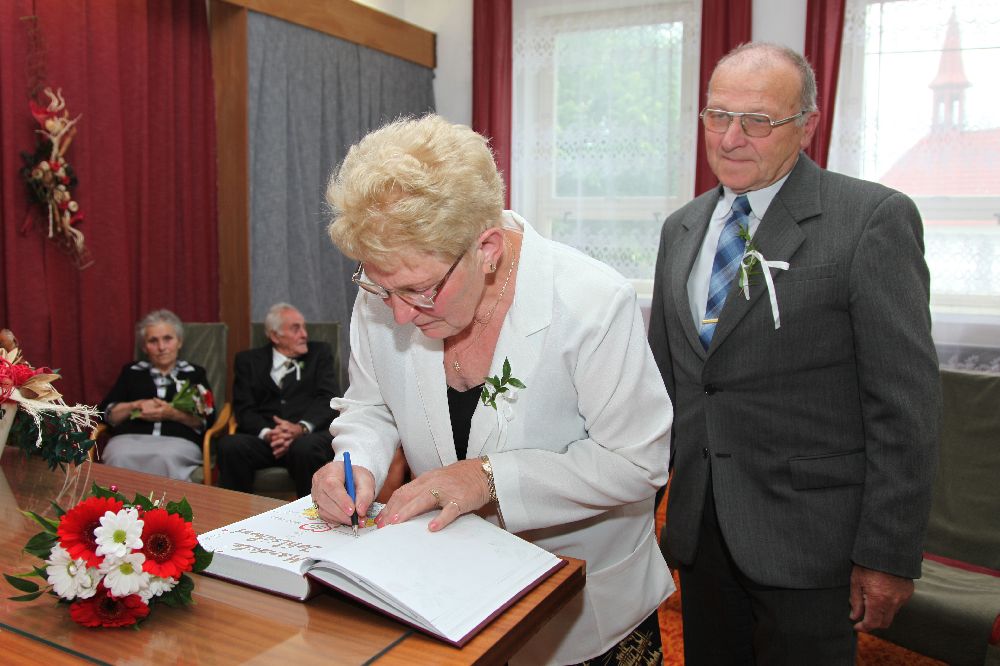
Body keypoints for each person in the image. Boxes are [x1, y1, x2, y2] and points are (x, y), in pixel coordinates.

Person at [310, 114, 674, 665]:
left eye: (420, 291)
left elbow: (637, 461)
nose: (400, 314)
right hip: (449, 590)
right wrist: (356, 462)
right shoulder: (391, 284)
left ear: (487, 248)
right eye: (381, 289)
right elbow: (371, 404)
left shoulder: (591, 304)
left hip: (582, 599)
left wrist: (488, 478)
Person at [647, 42, 941, 664]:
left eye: (757, 120)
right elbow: (666, 391)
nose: (730, 138)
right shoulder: (681, 229)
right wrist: (638, 515)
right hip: (701, 531)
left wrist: (888, 554)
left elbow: (904, 408)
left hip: (813, 542)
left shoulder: (869, 220)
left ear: (807, 125)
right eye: (717, 115)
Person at [217, 303, 339, 498]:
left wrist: (300, 428)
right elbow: (244, 409)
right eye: (295, 328)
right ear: (275, 336)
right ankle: (237, 512)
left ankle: (312, 513)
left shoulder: (319, 354)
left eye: (304, 327)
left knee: (305, 448)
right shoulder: (248, 361)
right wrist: (270, 434)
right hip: (266, 440)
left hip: (308, 436)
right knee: (230, 446)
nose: (304, 334)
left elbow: (328, 399)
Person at [98, 309, 213, 480]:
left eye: (168, 339)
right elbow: (105, 414)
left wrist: (172, 414)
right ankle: (119, 499)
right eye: (153, 341)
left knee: (166, 456)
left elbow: (207, 419)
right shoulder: (131, 372)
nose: (161, 347)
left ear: (179, 341)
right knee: (119, 455)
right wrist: (135, 405)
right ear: (144, 347)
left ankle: (168, 500)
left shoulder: (194, 373)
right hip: (129, 439)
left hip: (178, 441)